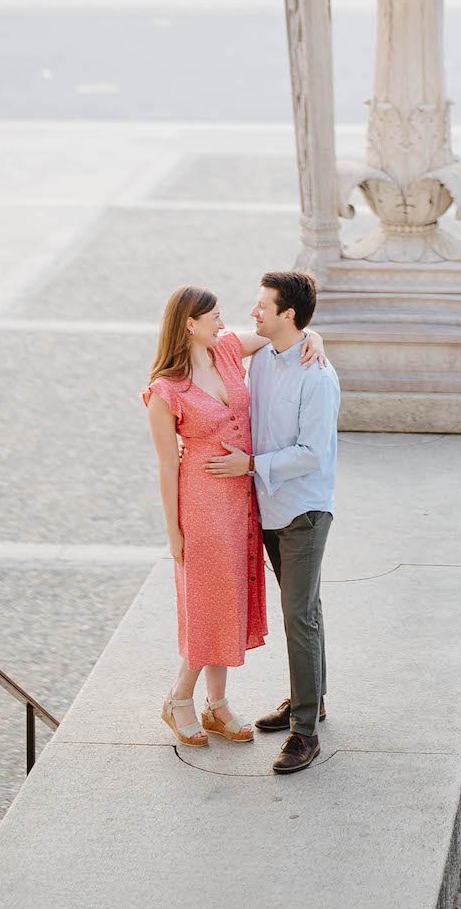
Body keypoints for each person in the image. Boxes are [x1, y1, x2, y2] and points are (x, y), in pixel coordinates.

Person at [142, 284, 324, 747]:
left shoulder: (225, 350)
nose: (225, 323)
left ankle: (217, 704)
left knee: (229, 599)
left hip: (242, 498)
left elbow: (286, 332)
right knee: (209, 602)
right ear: (189, 323)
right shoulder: (165, 390)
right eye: (216, 316)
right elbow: (166, 464)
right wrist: (173, 530)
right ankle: (179, 698)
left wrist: (316, 336)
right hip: (201, 503)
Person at [206, 268, 340, 775]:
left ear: (288, 314)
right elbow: (204, 338)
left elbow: (310, 453)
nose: (252, 311)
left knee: (298, 614)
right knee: (305, 609)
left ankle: (304, 731)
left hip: (303, 511)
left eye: (262, 305)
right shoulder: (262, 353)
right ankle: (313, 699)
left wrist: (251, 465)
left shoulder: (318, 376)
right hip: (266, 507)